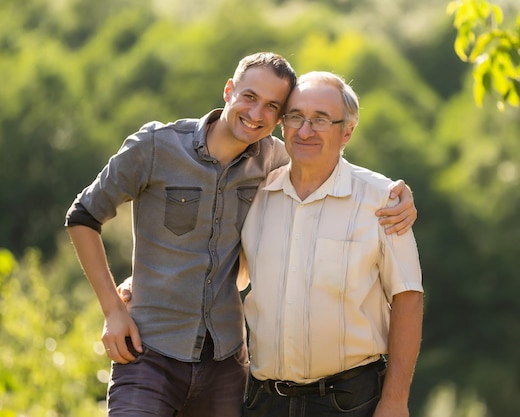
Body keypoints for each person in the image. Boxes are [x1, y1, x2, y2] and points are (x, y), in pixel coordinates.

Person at [65, 52, 417, 417]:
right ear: (229, 90)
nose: (256, 113)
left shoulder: (273, 161)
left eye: (272, 106)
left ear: (278, 119)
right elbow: (83, 215)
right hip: (150, 351)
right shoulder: (156, 146)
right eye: (249, 97)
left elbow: (326, 161)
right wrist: (112, 310)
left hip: (225, 363)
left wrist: (398, 195)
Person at [239, 71, 424, 417]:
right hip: (262, 401)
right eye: (296, 117)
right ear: (282, 124)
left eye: (320, 120)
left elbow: (408, 298)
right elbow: (216, 265)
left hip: (349, 402)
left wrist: (396, 400)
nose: (305, 130)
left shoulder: (383, 200)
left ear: (347, 132)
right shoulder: (253, 193)